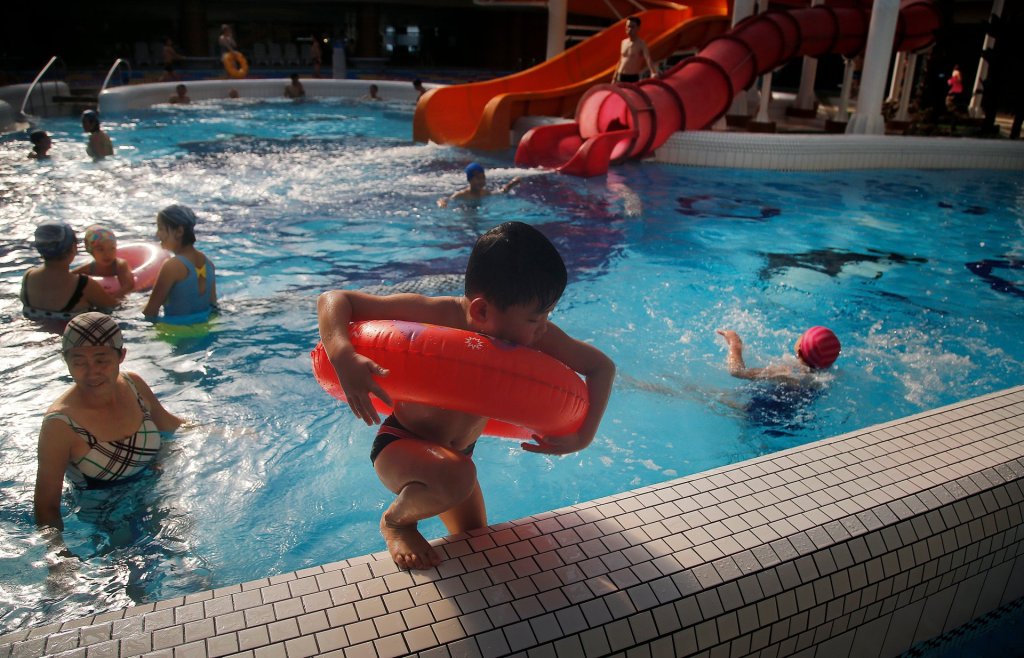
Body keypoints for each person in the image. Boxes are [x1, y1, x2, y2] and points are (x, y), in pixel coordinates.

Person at [317, 221, 616, 570]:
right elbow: (335, 299)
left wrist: (583, 436)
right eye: (536, 318)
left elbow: (600, 367)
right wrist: (341, 352)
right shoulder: (438, 316)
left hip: (456, 458)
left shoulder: (533, 332)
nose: (543, 329)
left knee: (477, 540)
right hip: (401, 445)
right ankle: (397, 521)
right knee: (458, 477)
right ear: (482, 311)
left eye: (547, 316)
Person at [34, 313, 182, 537]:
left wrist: (236, 433)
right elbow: (46, 508)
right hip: (106, 519)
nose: (92, 371)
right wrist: (59, 561)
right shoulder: (61, 425)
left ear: (121, 355)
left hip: (154, 495)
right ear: (66, 361)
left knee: (188, 561)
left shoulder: (134, 385)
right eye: (79, 362)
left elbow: (173, 426)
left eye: (101, 360)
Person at [21, 222, 117, 321]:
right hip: (72, 334)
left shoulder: (28, 276)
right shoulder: (83, 285)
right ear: (73, 247)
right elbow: (116, 307)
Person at [143, 205, 217, 322]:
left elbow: (150, 312)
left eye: (161, 229)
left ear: (179, 232)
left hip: (176, 334)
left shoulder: (172, 266)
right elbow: (213, 306)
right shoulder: (209, 264)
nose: (158, 234)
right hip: (204, 330)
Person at [716, 326, 841, 384]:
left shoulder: (787, 371)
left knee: (703, 394)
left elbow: (737, 372)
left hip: (763, 416)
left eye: (803, 335)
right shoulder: (823, 378)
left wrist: (735, 344)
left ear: (799, 351)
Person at [71, 225, 134, 297]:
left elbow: (128, 286)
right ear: (91, 251)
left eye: (112, 248)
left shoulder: (120, 265)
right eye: (101, 249)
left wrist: (111, 298)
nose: (107, 254)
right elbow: (69, 276)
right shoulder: (90, 267)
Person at [437, 162, 520, 208]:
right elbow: (445, 199)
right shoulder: (462, 195)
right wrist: (442, 203)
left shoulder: (485, 193)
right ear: (469, 179)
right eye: (477, 178)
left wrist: (511, 184)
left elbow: (501, 192)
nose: (481, 181)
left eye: (483, 178)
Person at [612, 16, 656, 83]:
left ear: (638, 28)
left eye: (632, 27)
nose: (629, 29)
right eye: (627, 26)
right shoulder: (623, 42)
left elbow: (648, 58)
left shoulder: (641, 44)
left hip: (632, 77)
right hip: (620, 75)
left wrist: (653, 72)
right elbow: (621, 60)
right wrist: (614, 76)